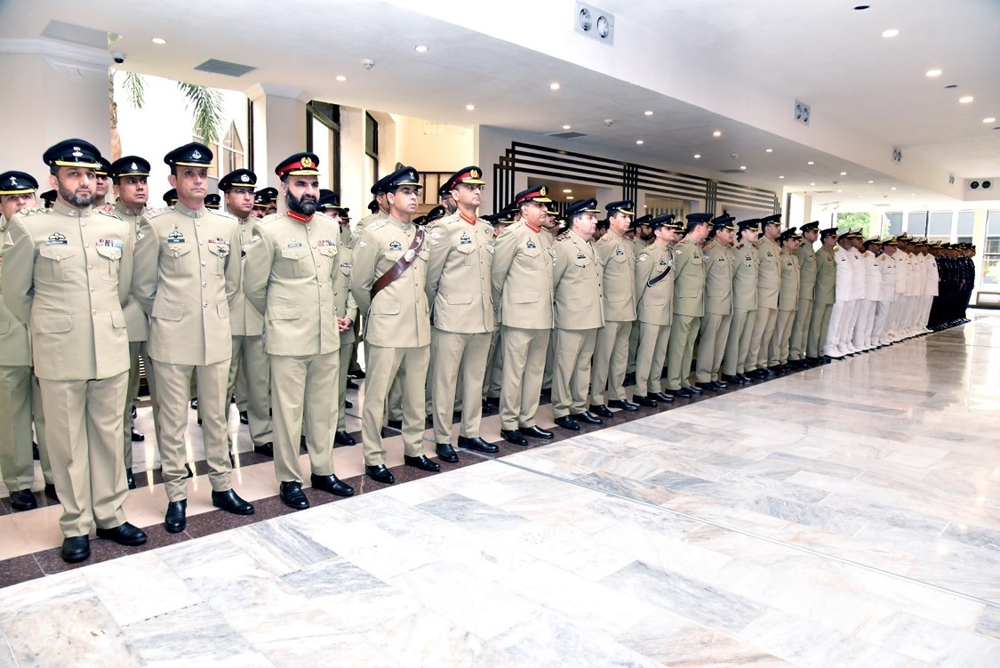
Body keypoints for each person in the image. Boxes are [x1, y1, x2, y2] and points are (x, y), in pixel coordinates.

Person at [2, 139, 146, 563]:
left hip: (109, 349)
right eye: (73, 174)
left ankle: (111, 515)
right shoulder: (29, 228)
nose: (84, 182)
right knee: (66, 443)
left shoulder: (115, 228)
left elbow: (122, 289)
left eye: (89, 174)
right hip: (59, 352)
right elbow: (16, 295)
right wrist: (53, 326)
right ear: (55, 180)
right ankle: (75, 524)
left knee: (109, 437)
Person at [133, 142, 252, 533]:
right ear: (174, 180)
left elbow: (232, 284)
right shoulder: (156, 225)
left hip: (214, 335)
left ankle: (222, 486)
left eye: (202, 174)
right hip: (171, 337)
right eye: (189, 174)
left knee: (216, 416)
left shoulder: (226, 226)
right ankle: (176, 495)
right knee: (171, 421)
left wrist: (209, 313)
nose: (198, 180)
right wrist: (171, 313)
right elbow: (143, 286)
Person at [244, 153, 355, 507]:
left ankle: (323, 470)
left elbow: (333, 278)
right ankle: (289, 478)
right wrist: (283, 316)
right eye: (300, 184)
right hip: (288, 339)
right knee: (288, 414)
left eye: (314, 184)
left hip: (325, 337)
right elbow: (253, 288)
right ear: (284, 188)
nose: (309, 191)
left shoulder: (329, 228)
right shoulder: (268, 230)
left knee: (324, 410)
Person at [351, 166, 440, 484]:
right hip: (386, 329)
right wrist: (378, 313)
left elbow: (427, 283)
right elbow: (359, 285)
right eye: (406, 191)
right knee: (377, 397)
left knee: (415, 396)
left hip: (418, 328)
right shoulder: (374, 233)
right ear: (389, 197)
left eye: (415, 192)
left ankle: (414, 449)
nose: (413, 197)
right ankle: (373, 457)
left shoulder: (423, 237)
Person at [426, 166, 499, 462]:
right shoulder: (443, 229)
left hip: (481, 318)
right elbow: (431, 278)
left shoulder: (486, 229)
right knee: (445, 382)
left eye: (479, 187)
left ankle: (470, 431)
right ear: (455, 195)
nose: (477, 191)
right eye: (470, 187)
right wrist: (435, 311)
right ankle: (443, 438)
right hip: (452, 318)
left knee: (475, 380)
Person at [0, 170, 52, 510]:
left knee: (53, 418)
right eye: (12, 199)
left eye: (26, 196)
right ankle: (19, 482)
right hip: (8, 342)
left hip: (49, 341)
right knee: (12, 419)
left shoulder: (52, 235)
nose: (21, 203)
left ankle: (56, 476)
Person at [491, 185, 557, 446]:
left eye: (545, 205)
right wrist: (504, 307)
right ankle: (509, 424)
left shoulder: (546, 237)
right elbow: (497, 276)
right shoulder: (512, 234)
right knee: (514, 373)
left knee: (535, 372)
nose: (544, 210)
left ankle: (527, 419)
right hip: (519, 315)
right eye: (539, 205)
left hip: (543, 316)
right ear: (525, 208)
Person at [219, 168, 274, 458]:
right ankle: (220, 445)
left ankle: (262, 435)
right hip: (224, 319)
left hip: (255, 316)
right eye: (240, 192)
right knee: (220, 387)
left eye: (250, 192)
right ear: (226, 196)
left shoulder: (263, 230)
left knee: (259, 382)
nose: (247, 197)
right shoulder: (215, 227)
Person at [107, 156, 154, 488]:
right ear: (117, 187)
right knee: (120, 403)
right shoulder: (106, 224)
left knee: (167, 401)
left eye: (143, 181)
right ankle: (122, 465)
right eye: (131, 181)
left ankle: (175, 462)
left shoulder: (160, 222)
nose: (139, 187)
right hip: (121, 324)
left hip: (158, 323)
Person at [549, 198, 605, 431]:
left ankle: (579, 406)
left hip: (591, 316)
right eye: (590, 217)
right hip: (570, 318)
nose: (595, 222)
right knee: (565, 367)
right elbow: (551, 285)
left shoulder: (593, 246)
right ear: (576, 221)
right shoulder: (562, 246)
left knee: (583, 366)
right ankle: (561, 410)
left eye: (594, 217)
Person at [316, 190, 358, 447]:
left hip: (344, 328)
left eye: (338, 216)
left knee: (340, 383)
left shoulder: (347, 252)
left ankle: (339, 426)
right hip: (318, 329)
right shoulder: (313, 250)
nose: (338, 220)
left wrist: (350, 317)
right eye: (332, 215)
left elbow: (354, 289)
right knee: (316, 386)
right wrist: (329, 318)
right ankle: (310, 430)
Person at [589, 200, 638, 416]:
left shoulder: (628, 244)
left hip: (626, 310)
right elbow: (597, 279)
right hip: (609, 311)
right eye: (623, 217)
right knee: (603, 357)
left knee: (620, 357)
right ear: (611, 219)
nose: (628, 220)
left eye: (629, 217)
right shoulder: (604, 244)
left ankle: (617, 395)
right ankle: (597, 399)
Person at [632, 214, 682, 407]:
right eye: (668, 229)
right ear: (657, 232)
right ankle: (640, 391)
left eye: (672, 229)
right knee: (647, 353)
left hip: (666, 310)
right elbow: (639, 285)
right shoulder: (648, 254)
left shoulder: (671, 253)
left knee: (660, 353)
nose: (672, 232)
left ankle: (654, 388)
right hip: (650, 311)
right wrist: (635, 311)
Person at [664, 213, 712, 397]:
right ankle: (673, 383)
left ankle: (683, 380)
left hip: (696, 306)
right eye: (707, 226)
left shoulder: (697, 248)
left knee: (688, 346)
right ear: (698, 227)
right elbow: (672, 279)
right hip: (683, 307)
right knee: (678, 347)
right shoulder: (682, 248)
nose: (709, 230)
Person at [694, 214, 736, 390]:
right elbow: (703, 279)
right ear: (718, 232)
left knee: (720, 342)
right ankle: (703, 377)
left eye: (732, 231)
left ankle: (713, 374)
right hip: (713, 304)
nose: (732, 234)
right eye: (728, 231)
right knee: (709, 342)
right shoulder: (710, 250)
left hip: (727, 303)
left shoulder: (729, 251)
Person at [721, 219, 761, 384]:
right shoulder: (738, 250)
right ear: (743, 233)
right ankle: (730, 370)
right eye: (753, 231)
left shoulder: (755, 250)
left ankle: (740, 368)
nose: (756, 233)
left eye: (756, 231)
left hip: (752, 300)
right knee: (735, 338)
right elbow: (731, 277)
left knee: (746, 338)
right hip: (739, 301)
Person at [746, 214, 781, 378]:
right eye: (776, 226)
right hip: (762, 296)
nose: (779, 229)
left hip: (774, 296)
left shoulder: (775, 247)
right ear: (767, 228)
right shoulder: (759, 246)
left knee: (768, 333)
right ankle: (751, 364)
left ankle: (762, 362)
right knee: (757, 333)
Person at [769, 228, 802, 370]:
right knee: (779, 332)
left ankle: (783, 358)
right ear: (785, 242)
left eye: (797, 240)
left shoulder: (794, 258)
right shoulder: (780, 256)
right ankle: (774, 360)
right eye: (793, 240)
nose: (797, 242)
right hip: (783, 300)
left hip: (793, 300)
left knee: (787, 332)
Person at [789, 220, 819, 367]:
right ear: (806, 233)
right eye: (814, 232)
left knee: (805, 325)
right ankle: (794, 354)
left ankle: (801, 353)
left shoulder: (810, 248)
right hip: (801, 293)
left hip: (809, 292)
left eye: (817, 232)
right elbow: (797, 272)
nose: (816, 235)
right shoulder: (801, 248)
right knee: (799, 325)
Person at [808, 228, 838, 362]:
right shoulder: (820, 254)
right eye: (833, 237)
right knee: (816, 325)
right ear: (825, 239)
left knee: (824, 325)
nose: (835, 239)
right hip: (820, 294)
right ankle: (812, 352)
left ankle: (820, 351)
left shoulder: (831, 253)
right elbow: (815, 275)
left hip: (829, 294)